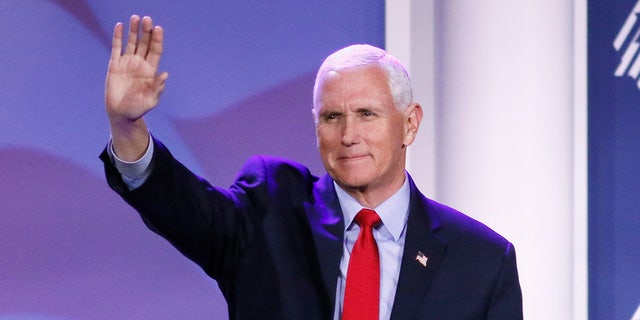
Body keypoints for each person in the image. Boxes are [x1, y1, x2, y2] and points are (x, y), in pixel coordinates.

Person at [101, 15, 523, 320]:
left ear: (409, 124)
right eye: (332, 117)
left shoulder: (482, 262)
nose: (348, 135)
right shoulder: (269, 210)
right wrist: (127, 126)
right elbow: (183, 207)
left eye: (367, 114)